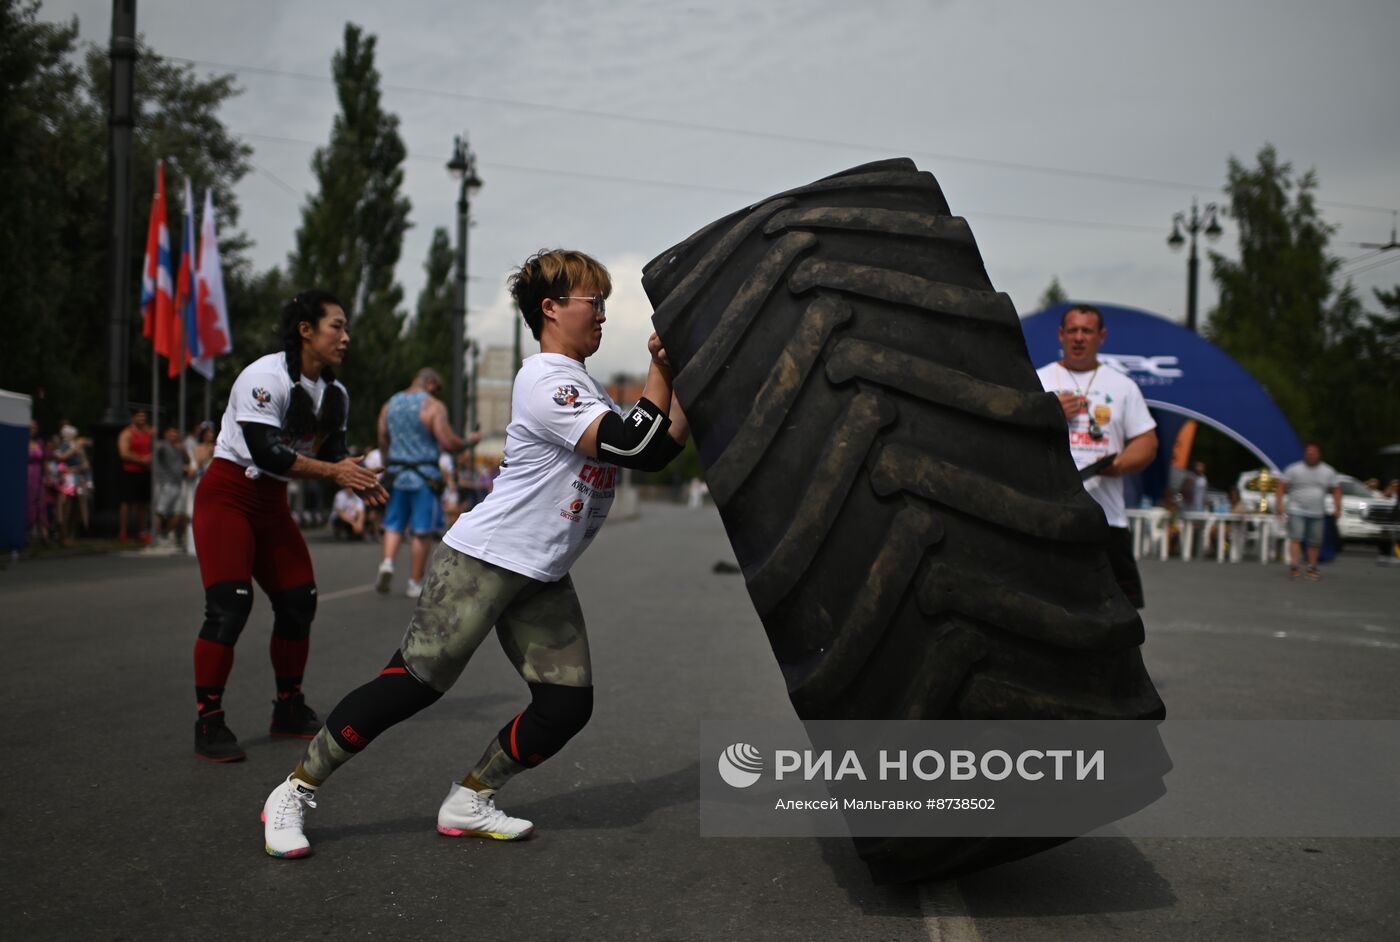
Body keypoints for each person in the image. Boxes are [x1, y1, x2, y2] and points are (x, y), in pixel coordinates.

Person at [261, 249, 688, 858]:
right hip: (486, 560)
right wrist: (657, 364)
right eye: (594, 302)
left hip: (540, 573)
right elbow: (634, 445)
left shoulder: (581, 383)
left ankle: (471, 797)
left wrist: (686, 376)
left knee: (566, 705)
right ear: (551, 308)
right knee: (412, 684)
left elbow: (661, 444)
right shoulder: (545, 379)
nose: (601, 315)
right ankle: (294, 790)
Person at [191, 290, 387, 762]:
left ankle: (288, 706)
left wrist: (352, 470)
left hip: (271, 503)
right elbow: (267, 453)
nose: (345, 337)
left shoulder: (335, 393)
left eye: (345, 327)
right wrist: (335, 471)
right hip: (229, 496)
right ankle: (209, 719)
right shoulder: (264, 377)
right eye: (336, 326)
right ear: (306, 330)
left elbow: (328, 452)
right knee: (229, 606)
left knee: (300, 600)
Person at [1036, 304, 1158, 608]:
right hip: (1049, 514)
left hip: (1106, 519)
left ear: (1101, 337)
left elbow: (1147, 441)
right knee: (1048, 606)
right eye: (1073, 331)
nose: (1079, 338)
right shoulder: (1037, 381)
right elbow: (1013, 436)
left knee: (1117, 611)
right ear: (1060, 335)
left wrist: (1119, 465)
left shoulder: (1122, 386)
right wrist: (1048, 413)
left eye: (1087, 331)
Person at [374, 368, 478, 599]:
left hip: (397, 473)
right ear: (430, 383)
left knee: (393, 523)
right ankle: (414, 581)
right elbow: (448, 441)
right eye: (437, 389)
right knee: (421, 531)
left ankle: (388, 563)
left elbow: (382, 437)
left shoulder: (390, 404)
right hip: (425, 476)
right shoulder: (433, 406)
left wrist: (387, 463)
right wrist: (468, 442)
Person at [1275, 442, 1342, 580]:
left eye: (1313, 453)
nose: (1310, 455)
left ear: (1319, 454)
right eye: (1308, 452)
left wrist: (1338, 508)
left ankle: (1312, 567)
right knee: (1296, 538)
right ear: (1305, 454)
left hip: (1317, 511)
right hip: (1296, 509)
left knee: (1315, 541)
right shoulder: (1294, 469)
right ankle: (1294, 566)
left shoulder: (1328, 471)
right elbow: (1281, 487)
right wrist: (1279, 505)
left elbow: (1336, 490)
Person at [117, 409, 153, 545]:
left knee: (143, 503)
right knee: (127, 503)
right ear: (133, 418)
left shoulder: (148, 433)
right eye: (139, 416)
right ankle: (123, 532)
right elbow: (124, 453)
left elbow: (154, 449)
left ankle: (142, 532)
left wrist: (149, 459)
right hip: (130, 471)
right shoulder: (127, 433)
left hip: (144, 472)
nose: (142, 419)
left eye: (144, 416)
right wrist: (141, 459)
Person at [53, 423, 92, 544]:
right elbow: (61, 458)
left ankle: (72, 534)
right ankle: (63, 535)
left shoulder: (77, 446)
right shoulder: (65, 446)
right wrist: (75, 448)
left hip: (77, 479)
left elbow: (86, 464)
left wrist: (78, 466)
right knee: (66, 506)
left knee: (76, 507)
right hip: (68, 480)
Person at [152, 425, 190, 547]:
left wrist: (183, 450)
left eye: (177, 433)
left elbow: (188, 461)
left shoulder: (179, 447)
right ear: (166, 433)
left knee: (177, 513)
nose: (175, 435)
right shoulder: (162, 445)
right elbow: (155, 450)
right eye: (173, 432)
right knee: (161, 511)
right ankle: (155, 536)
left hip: (178, 483)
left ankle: (166, 535)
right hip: (165, 483)